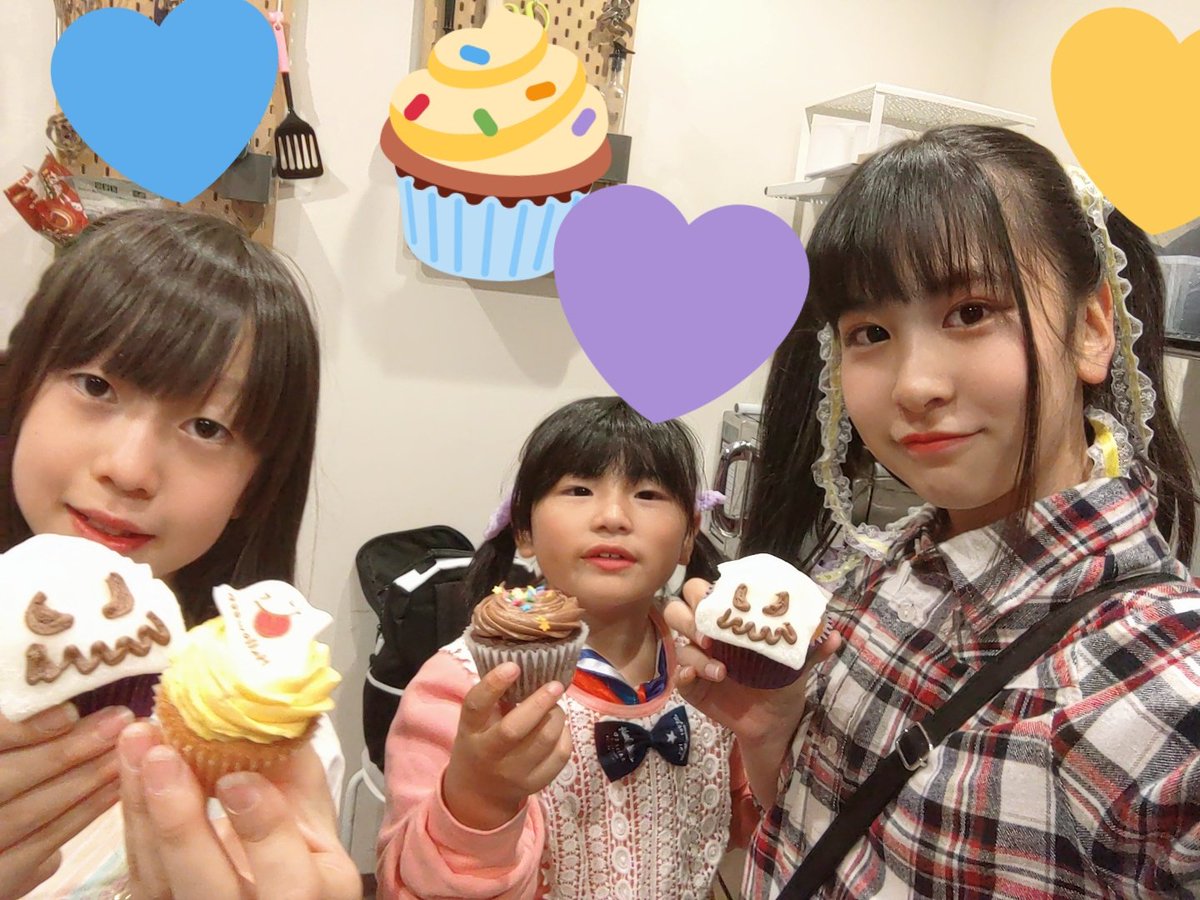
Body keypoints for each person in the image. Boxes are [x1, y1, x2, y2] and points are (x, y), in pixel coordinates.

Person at [669, 125, 1200, 898]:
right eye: (871, 333)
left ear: (1091, 329)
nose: (914, 386)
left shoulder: (1163, 695)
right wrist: (772, 729)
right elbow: (832, 840)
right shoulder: (879, 572)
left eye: (971, 311)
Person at [0, 209, 358, 899]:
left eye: (207, 427)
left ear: (257, 486)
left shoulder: (270, 741)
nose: (130, 469)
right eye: (96, 386)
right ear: (21, 388)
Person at [376, 396, 770, 898]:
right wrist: (480, 800)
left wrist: (767, 731)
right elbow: (408, 885)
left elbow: (746, 823)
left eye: (648, 493)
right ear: (523, 529)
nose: (613, 516)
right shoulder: (460, 688)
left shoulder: (708, 670)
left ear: (689, 536)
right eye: (579, 490)